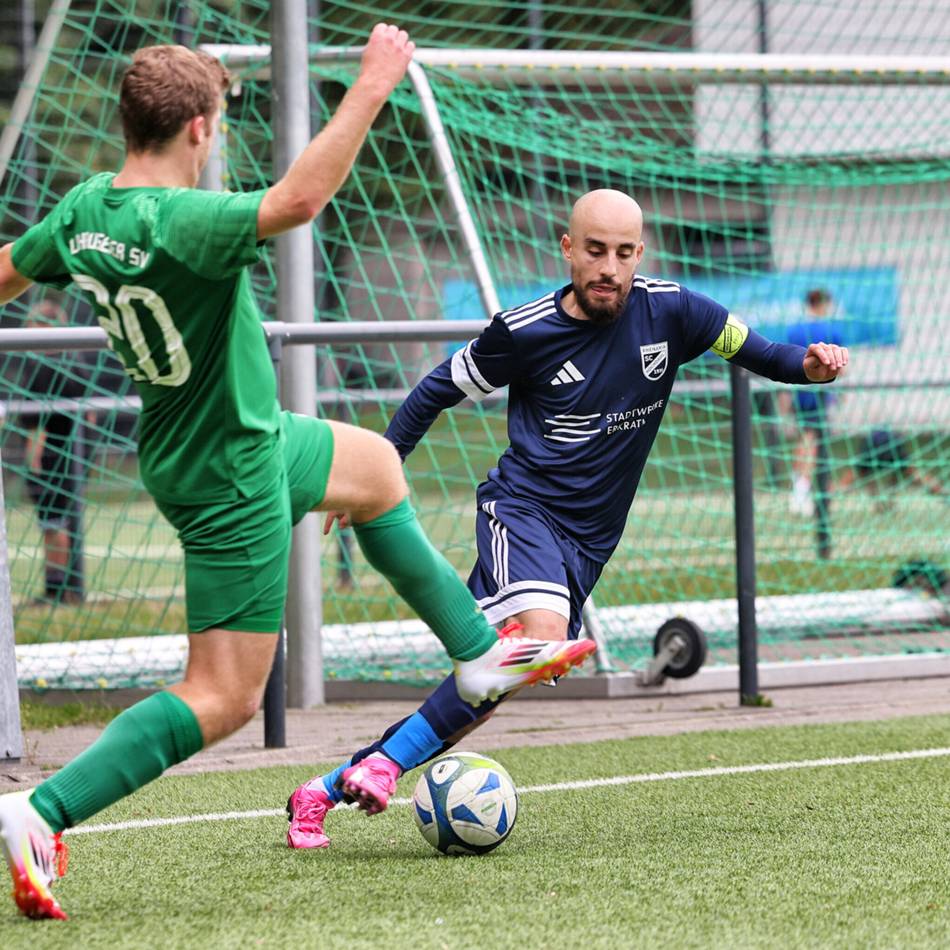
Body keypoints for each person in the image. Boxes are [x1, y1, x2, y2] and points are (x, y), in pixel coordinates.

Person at [0, 27, 595, 921]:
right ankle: (38, 813)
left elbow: (7, 271)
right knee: (224, 696)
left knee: (376, 469)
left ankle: (478, 657)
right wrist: (374, 80)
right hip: (230, 472)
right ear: (199, 131)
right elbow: (302, 198)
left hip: (238, 436)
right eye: (221, 124)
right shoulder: (185, 222)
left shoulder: (86, 208)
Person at [285, 188, 850, 849]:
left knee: (491, 684)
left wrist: (812, 368)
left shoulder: (677, 312)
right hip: (520, 511)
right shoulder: (522, 333)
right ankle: (381, 766)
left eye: (622, 252)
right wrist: (375, 474)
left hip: (587, 545)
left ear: (639, 254)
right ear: (568, 249)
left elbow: (766, 353)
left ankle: (324, 790)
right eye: (594, 250)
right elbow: (435, 390)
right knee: (536, 639)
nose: (608, 266)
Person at [14, 300, 96, 606]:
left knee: (53, 524)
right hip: (77, 456)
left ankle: (57, 590)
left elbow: (38, 426)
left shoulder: (46, 367)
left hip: (53, 458)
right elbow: (91, 417)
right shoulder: (76, 360)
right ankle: (70, 587)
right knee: (64, 521)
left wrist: (34, 460)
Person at [785, 288, 844, 558]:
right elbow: (841, 366)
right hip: (819, 393)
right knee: (813, 443)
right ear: (822, 304)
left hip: (801, 392)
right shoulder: (830, 329)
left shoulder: (795, 329)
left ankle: (800, 487)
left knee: (805, 440)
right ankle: (802, 491)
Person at [835, 428, 946, 511]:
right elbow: (894, 477)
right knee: (913, 473)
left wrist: (880, 500)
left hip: (875, 443)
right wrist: (887, 499)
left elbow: (868, 478)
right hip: (888, 441)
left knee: (851, 478)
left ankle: (826, 501)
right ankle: (943, 493)